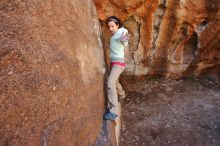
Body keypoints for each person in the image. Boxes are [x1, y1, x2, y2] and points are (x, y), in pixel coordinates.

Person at [104, 16, 129, 120]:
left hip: (118, 63)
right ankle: (122, 94)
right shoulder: (113, 35)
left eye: (112, 26)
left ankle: (113, 112)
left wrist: (124, 35)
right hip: (114, 62)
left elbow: (124, 42)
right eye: (109, 27)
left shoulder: (121, 31)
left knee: (110, 83)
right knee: (115, 81)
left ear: (118, 25)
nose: (110, 28)